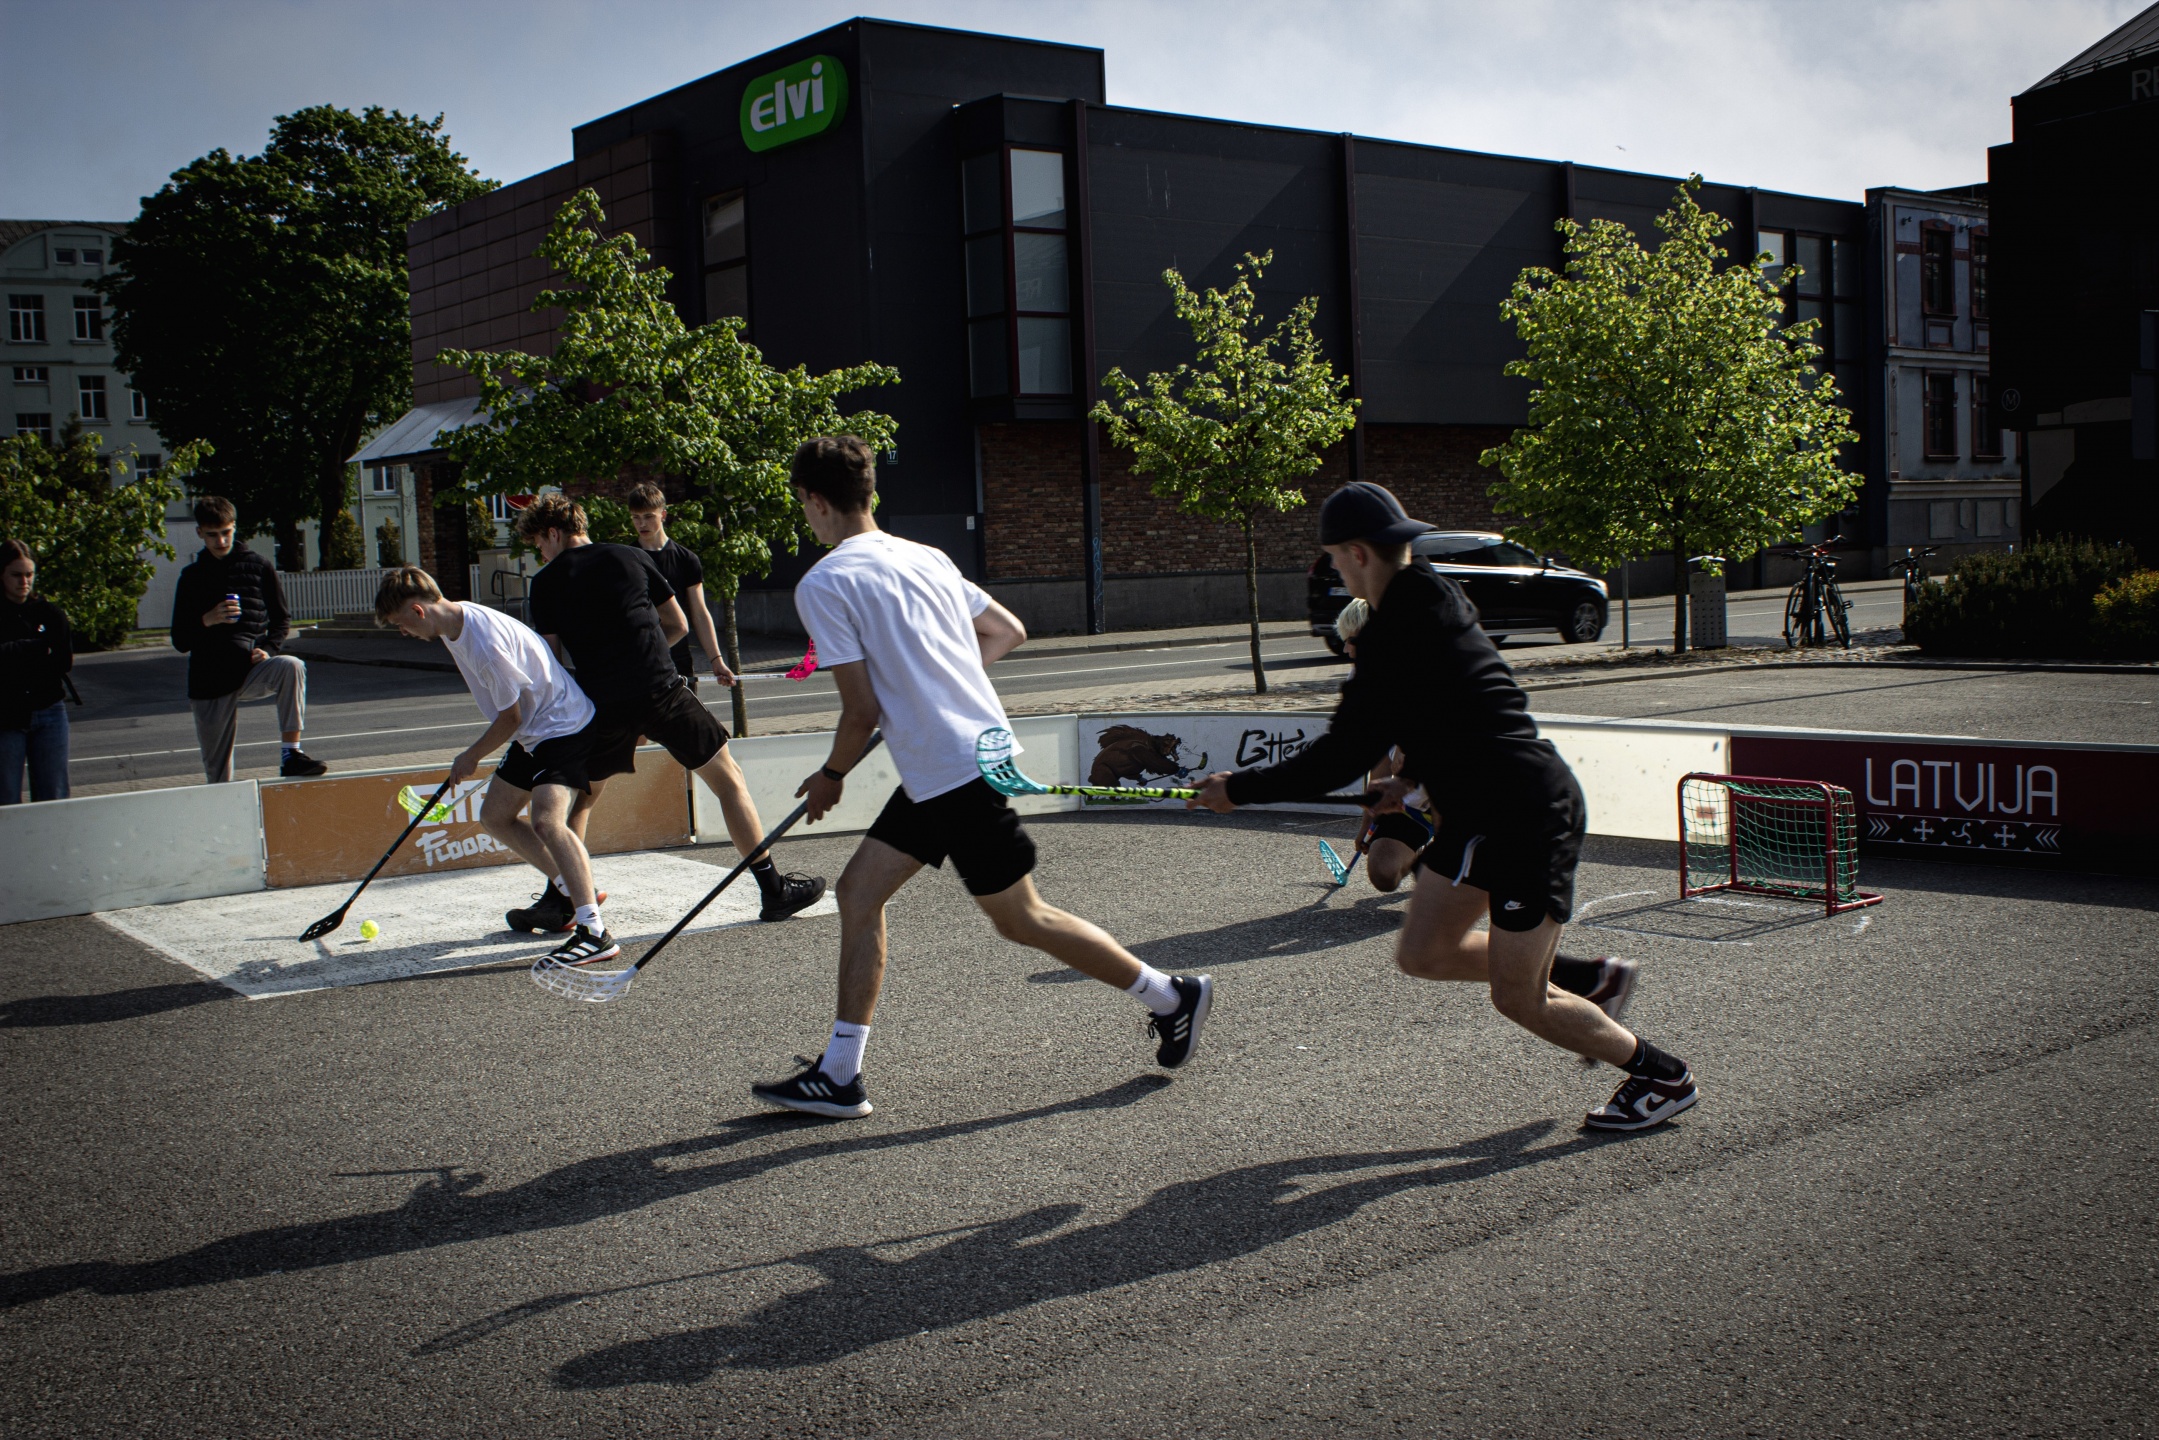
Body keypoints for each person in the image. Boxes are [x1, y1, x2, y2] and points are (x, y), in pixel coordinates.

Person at [1192, 481, 1687, 1132]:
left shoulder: (1395, 633)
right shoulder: (1431, 594)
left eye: (1334, 558)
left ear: (1357, 553)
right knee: (1423, 952)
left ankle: (1660, 1074)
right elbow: (1455, 703)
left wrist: (1238, 789)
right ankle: (1588, 980)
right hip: (1478, 813)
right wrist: (1410, 778)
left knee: (1521, 1000)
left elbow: (1339, 757)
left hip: (1523, 815)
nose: (1334, 571)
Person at [749, 436, 1213, 1120]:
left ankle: (1170, 996)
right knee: (858, 892)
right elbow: (1006, 631)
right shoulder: (927, 557)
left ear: (815, 501)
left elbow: (860, 710)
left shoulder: (825, 581)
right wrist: (934, 680)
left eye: (802, 505)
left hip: (951, 769)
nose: (806, 515)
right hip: (955, 761)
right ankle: (840, 1073)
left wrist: (831, 775)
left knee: (1022, 918)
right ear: (868, 491)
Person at [517, 492, 824, 964]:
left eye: (539, 543)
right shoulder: (631, 556)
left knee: (583, 799)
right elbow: (677, 623)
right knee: (728, 781)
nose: (541, 552)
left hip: (601, 704)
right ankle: (773, 889)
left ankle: (562, 899)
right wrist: (643, 656)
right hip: (661, 690)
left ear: (553, 533)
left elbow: (551, 662)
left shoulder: (545, 583)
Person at [375, 566, 620, 958]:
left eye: (400, 624)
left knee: (547, 821)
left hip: (562, 726)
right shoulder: (455, 624)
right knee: (494, 816)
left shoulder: (483, 643)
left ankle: (595, 932)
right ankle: (572, 890)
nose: (403, 632)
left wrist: (470, 756)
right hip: (534, 730)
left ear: (418, 611)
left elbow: (510, 718)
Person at [169, 496, 327, 783]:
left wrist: (268, 649)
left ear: (235, 527)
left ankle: (291, 754)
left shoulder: (258, 566)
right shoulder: (191, 577)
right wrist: (207, 620)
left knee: (291, 666)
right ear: (200, 533)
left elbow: (281, 619)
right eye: (212, 535)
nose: (221, 541)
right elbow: (179, 640)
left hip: (249, 669)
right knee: (219, 776)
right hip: (209, 679)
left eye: (226, 532)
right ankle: (223, 807)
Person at [626, 482, 731, 692]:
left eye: (648, 516)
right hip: (641, 660)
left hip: (678, 660)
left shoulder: (686, 559)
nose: (642, 524)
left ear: (663, 515)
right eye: (636, 517)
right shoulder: (627, 558)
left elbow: (699, 613)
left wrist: (716, 659)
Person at [0, 539, 72, 804]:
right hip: (6, 715)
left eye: (29, 574)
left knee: (53, 797)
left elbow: (62, 662)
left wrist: (13, 653)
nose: (24, 581)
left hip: (49, 710)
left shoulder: (49, 613)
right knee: (6, 798)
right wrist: (35, 648)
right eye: (16, 575)